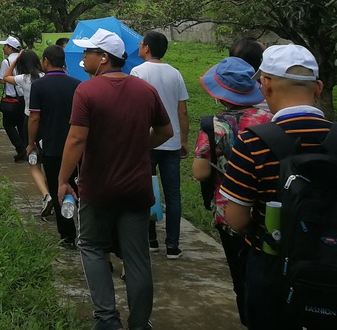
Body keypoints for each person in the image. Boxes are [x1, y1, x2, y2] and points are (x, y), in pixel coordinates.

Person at [58, 28, 172, 330]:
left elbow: (76, 140)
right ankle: (139, 323)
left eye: (88, 53)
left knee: (92, 247)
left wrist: (62, 180)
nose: (84, 58)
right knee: (136, 259)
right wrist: (139, 146)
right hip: (137, 189)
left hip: (98, 189)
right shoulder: (145, 91)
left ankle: (107, 319)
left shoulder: (87, 91)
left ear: (104, 57)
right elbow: (166, 131)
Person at [221, 45, 331, 330]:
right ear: (318, 88)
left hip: (271, 268)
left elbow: (236, 219)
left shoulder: (252, 142)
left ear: (265, 85)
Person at [191, 57, 270, 327]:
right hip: (269, 208)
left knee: (240, 277)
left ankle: (248, 319)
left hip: (229, 211)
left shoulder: (213, 126)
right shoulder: (270, 119)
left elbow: (200, 173)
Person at [130, 30, 189, 259]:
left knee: (146, 191)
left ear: (146, 48)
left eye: (141, 44)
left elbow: (134, 108)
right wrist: (183, 139)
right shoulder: (175, 73)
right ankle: (173, 245)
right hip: (172, 142)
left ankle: (151, 239)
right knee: (173, 195)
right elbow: (182, 110)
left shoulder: (138, 72)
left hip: (147, 142)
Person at [28, 43, 82, 248]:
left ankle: (67, 236)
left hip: (51, 147)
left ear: (46, 62)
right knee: (79, 188)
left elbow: (34, 117)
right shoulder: (77, 84)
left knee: (58, 188)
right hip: (76, 147)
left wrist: (30, 142)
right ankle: (85, 232)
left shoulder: (39, 86)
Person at [4, 49, 50, 214]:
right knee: (48, 160)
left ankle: (46, 195)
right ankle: (51, 190)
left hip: (29, 122)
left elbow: (5, 77)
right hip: (47, 123)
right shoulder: (46, 77)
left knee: (33, 161)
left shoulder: (23, 79)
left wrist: (15, 60)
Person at [0, 35, 27, 161]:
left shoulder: (7, 62)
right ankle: (26, 149)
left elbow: (2, 80)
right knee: (21, 124)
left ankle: (20, 148)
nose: (3, 48)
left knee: (8, 124)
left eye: (5, 46)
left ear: (10, 48)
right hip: (23, 98)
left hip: (11, 98)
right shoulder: (24, 60)